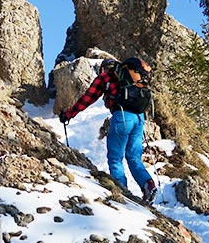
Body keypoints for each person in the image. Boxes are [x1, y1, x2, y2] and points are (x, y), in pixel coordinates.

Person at [59, 57, 157, 203]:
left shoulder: (106, 77)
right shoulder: (133, 77)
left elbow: (88, 98)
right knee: (134, 157)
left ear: (104, 68)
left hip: (122, 117)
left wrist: (68, 114)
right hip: (139, 118)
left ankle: (122, 191)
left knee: (115, 158)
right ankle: (148, 185)